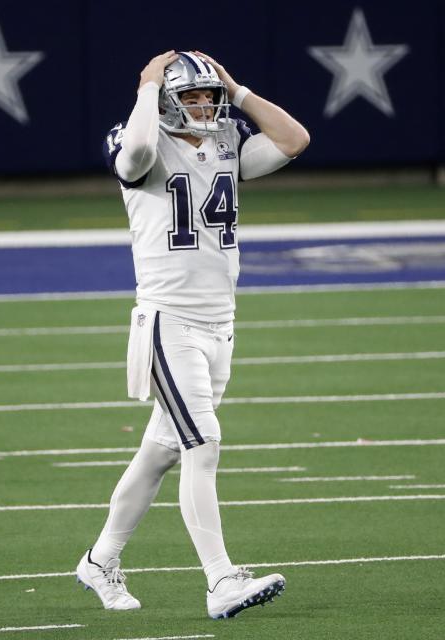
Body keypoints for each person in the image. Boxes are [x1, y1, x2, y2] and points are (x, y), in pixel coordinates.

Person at [76, 50, 310, 620]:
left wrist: (237, 89)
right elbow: (134, 155)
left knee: (160, 453)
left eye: (209, 96)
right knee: (202, 446)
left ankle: (99, 559)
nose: (205, 106)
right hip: (168, 319)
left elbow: (294, 139)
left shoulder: (228, 137)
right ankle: (220, 579)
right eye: (194, 96)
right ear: (163, 99)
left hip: (220, 322)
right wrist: (148, 85)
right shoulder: (137, 135)